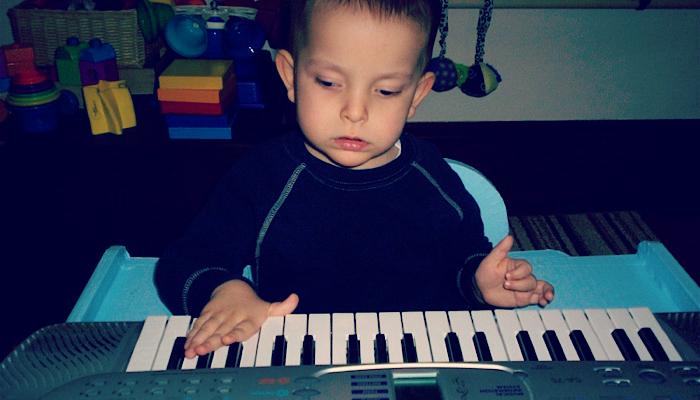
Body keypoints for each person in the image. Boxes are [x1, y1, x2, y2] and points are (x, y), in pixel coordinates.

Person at [154, 0, 555, 360]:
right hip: (296, 361)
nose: (355, 111)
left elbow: (465, 257)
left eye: (386, 90)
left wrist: (480, 281)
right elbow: (183, 262)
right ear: (290, 76)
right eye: (329, 83)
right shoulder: (261, 178)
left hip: (424, 357)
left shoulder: (430, 175)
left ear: (416, 95)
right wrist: (226, 291)